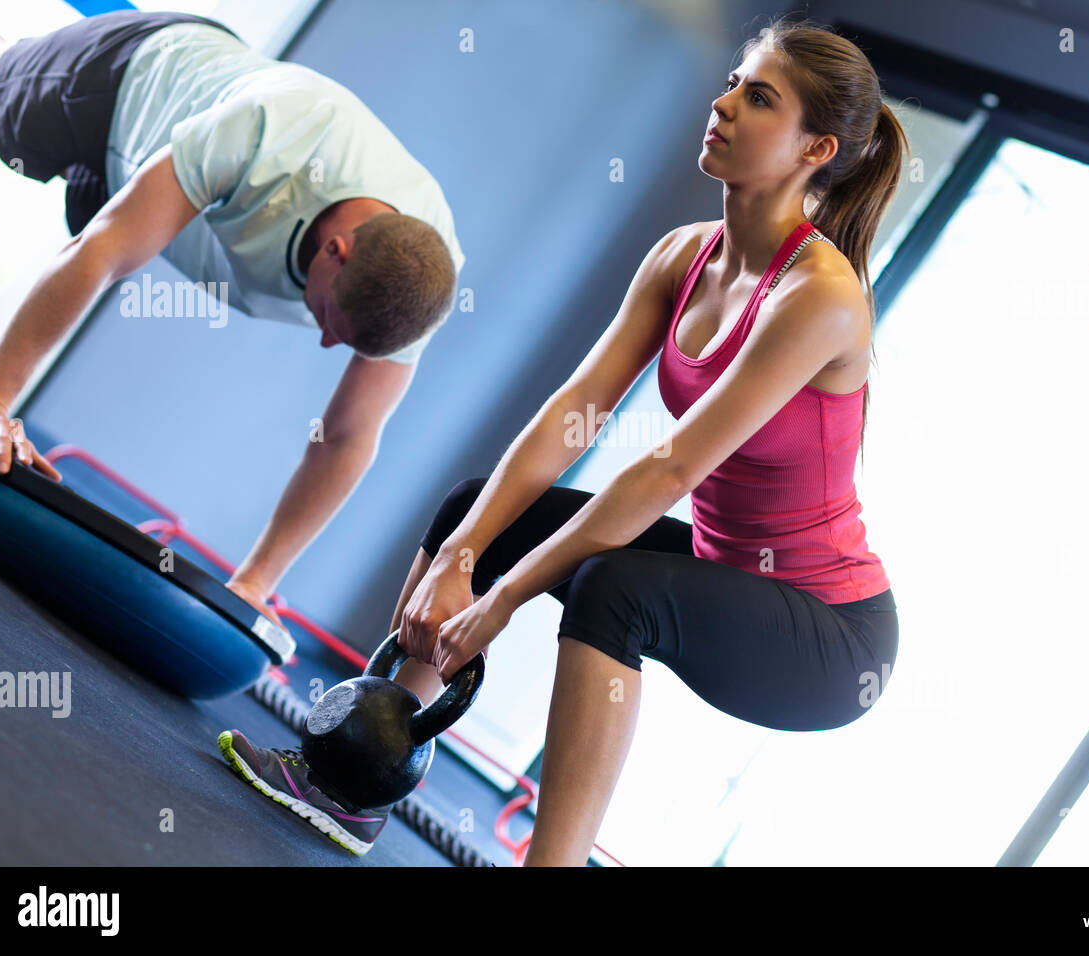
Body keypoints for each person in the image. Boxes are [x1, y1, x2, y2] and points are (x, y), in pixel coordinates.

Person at [220, 16, 907, 865]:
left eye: (758, 97)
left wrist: (499, 600)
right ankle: (352, 780)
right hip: (718, 563)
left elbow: (668, 469)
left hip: (829, 637)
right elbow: (573, 410)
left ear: (815, 149)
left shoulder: (820, 298)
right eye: (733, 80)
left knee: (613, 589)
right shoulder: (682, 257)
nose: (723, 103)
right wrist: (462, 556)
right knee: (477, 511)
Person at [0, 10, 464, 628]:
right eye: (331, 319)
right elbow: (102, 253)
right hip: (128, 82)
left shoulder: (417, 275)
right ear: (337, 253)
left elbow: (347, 436)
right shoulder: (274, 130)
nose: (325, 339)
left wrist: (256, 583)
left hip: (142, 182)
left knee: (96, 203)